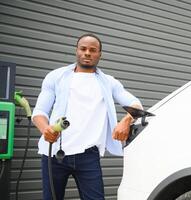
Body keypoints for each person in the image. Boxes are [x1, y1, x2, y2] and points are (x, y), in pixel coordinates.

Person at [32, 33, 142, 200]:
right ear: (77, 51)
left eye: (93, 50)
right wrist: (45, 129)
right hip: (54, 154)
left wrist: (126, 120)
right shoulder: (56, 77)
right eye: (83, 49)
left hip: (88, 155)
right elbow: (39, 112)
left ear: (99, 54)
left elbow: (135, 104)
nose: (87, 53)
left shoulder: (108, 82)